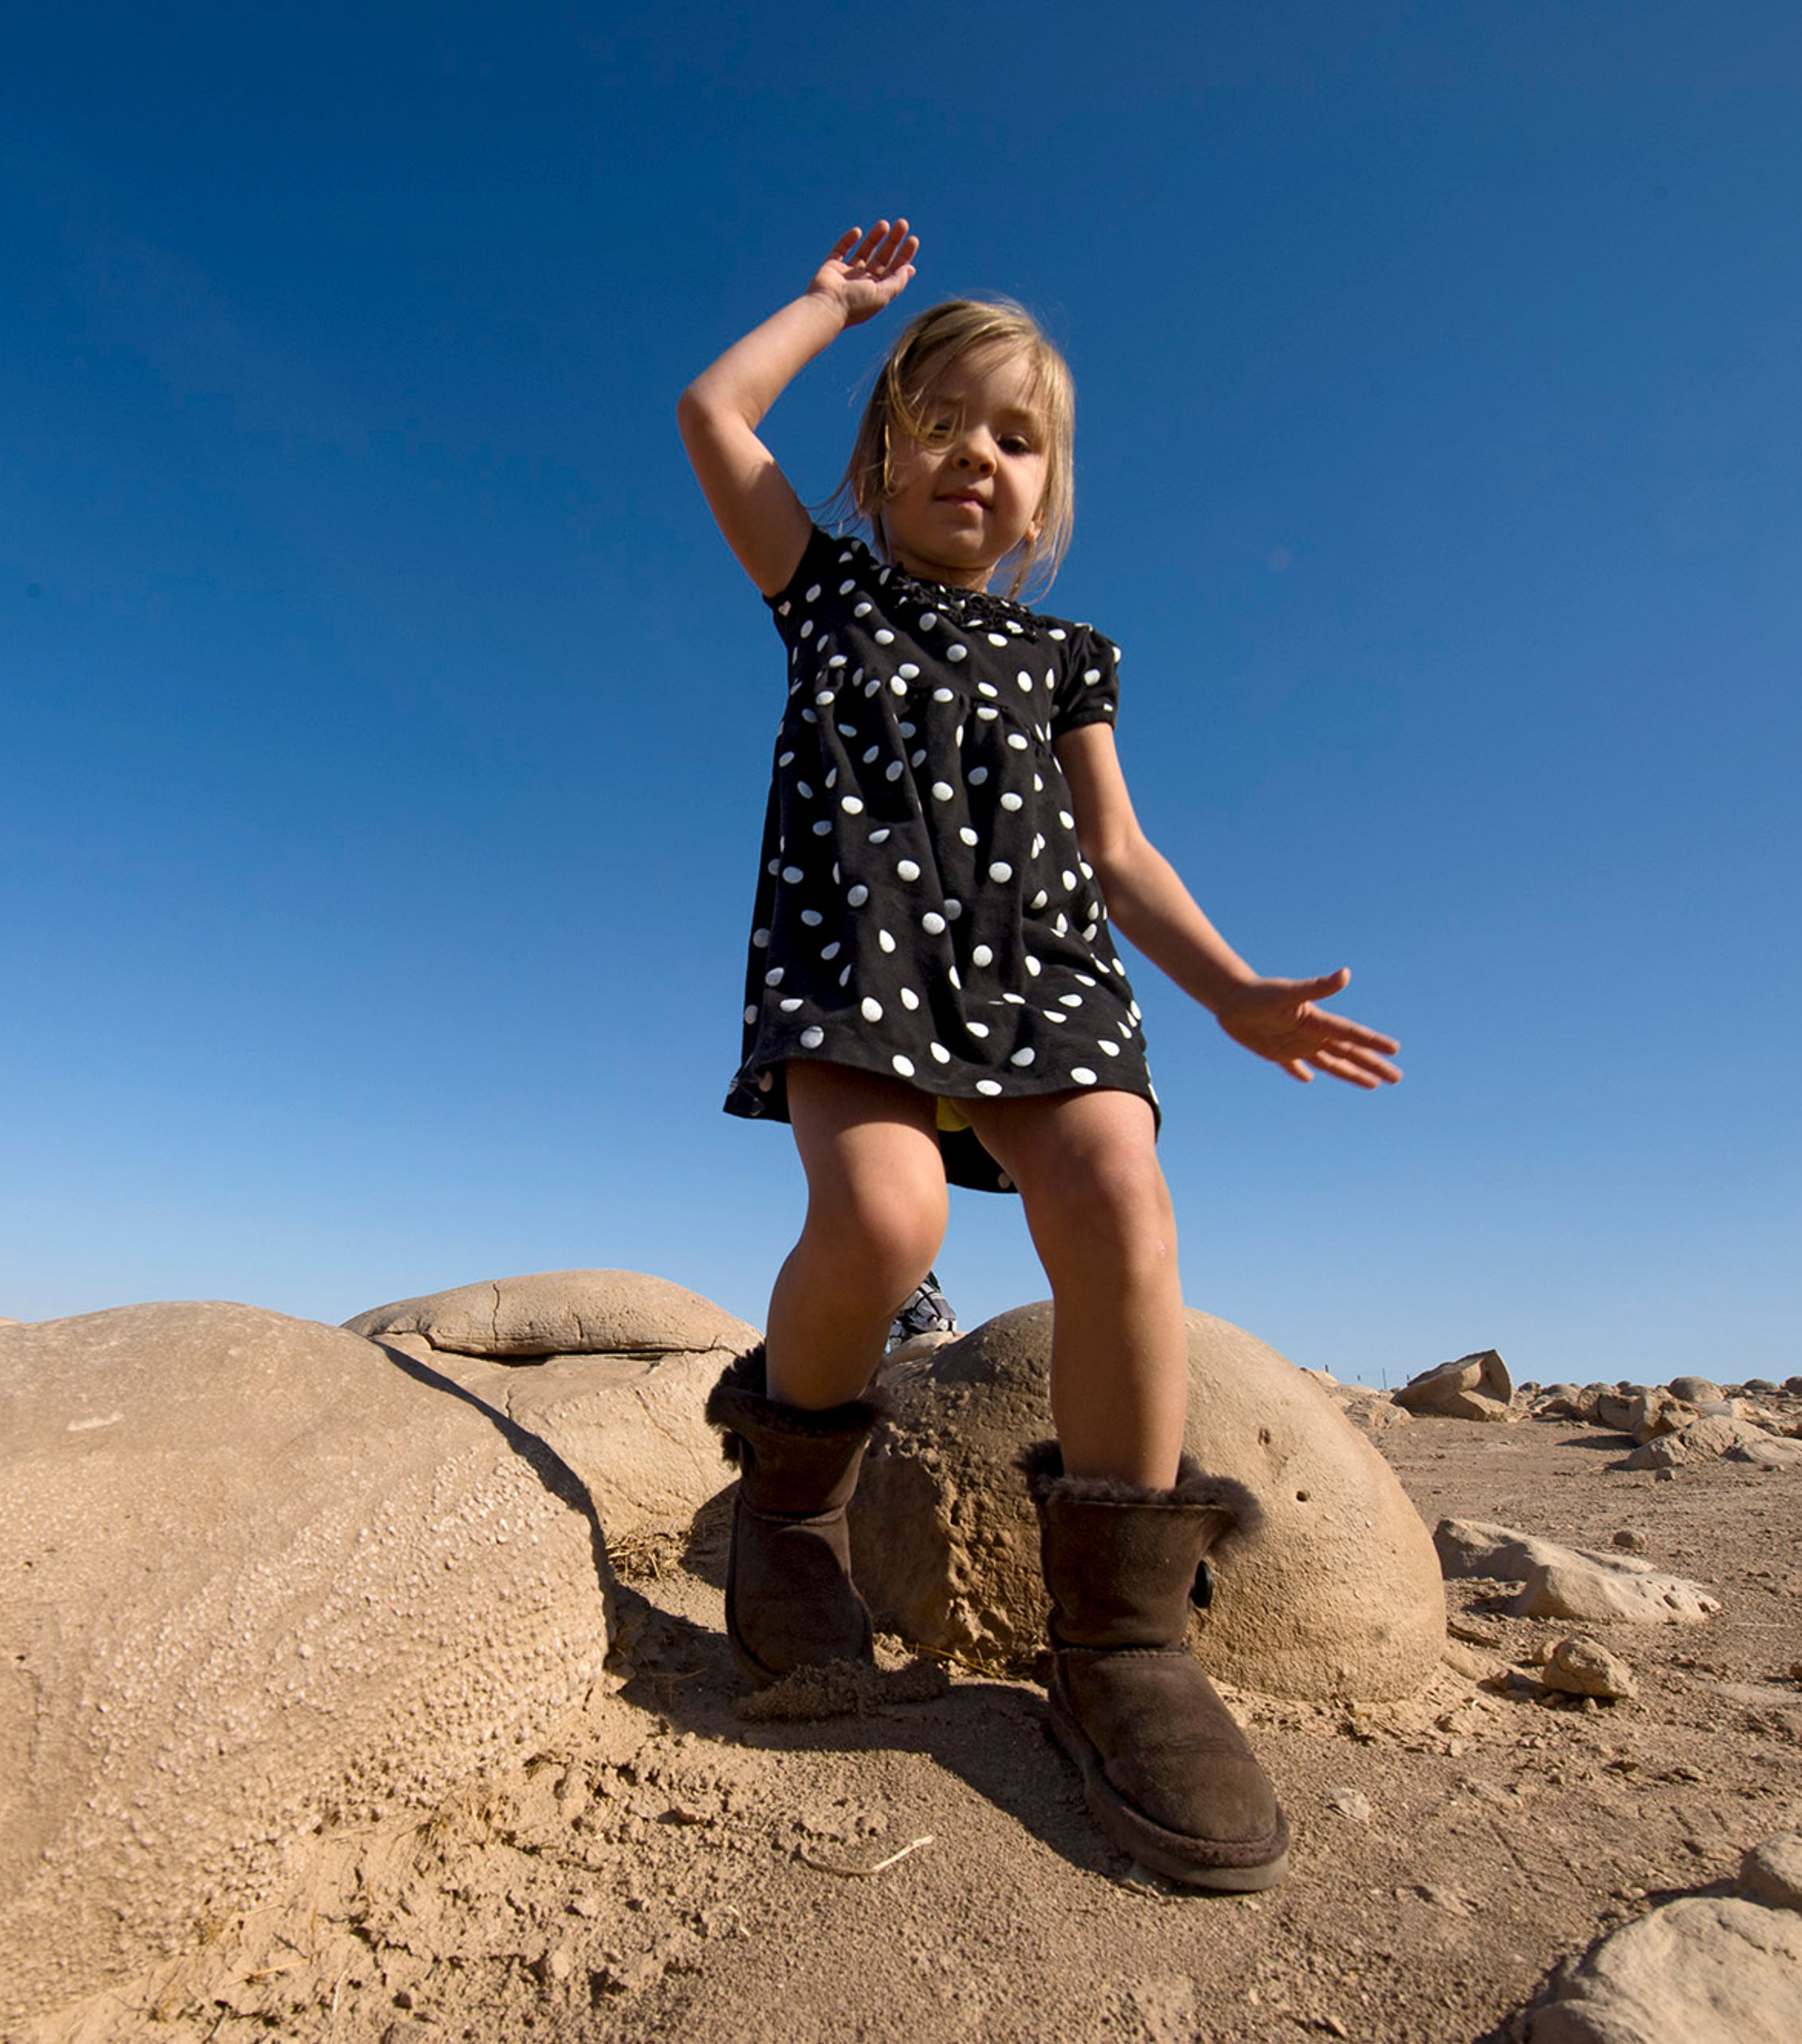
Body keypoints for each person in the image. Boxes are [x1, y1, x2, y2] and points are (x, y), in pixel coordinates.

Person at [676, 220, 1402, 1893]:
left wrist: (1229, 992)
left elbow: (1121, 850)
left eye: (1019, 439)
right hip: (861, 962)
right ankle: (790, 1517)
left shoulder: (1069, 658)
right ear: (877, 458)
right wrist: (831, 308)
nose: (980, 459)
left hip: (1043, 976)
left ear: (1047, 494)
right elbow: (716, 418)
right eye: (944, 422)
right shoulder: (826, 587)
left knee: (1121, 1205)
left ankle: (1124, 1644)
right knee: (884, 1224)